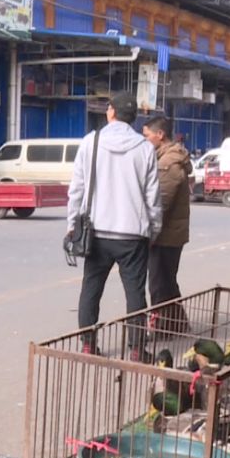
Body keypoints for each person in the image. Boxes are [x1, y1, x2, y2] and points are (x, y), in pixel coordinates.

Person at [67, 93, 162, 360]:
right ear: (133, 118)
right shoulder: (145, 149)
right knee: (134, 293)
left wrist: (72, 223)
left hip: (96, 232)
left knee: (91, 288)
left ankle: (87, 344)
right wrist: (153, 228)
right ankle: (135, 349)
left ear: (110, 112)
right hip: (132, 234)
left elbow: (77, 188)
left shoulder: (90, 142)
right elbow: (152, 197)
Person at [141, 116, 192, 333]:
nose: (145, 140)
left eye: (147, 136)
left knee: (159, 283)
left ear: (160, 135)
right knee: (167, 281)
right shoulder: (164, 157)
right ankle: (177, 324)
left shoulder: (168, 162)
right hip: (170, 233)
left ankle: (165, 327)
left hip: (166, 235)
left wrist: (150, 232)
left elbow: (161, 201)